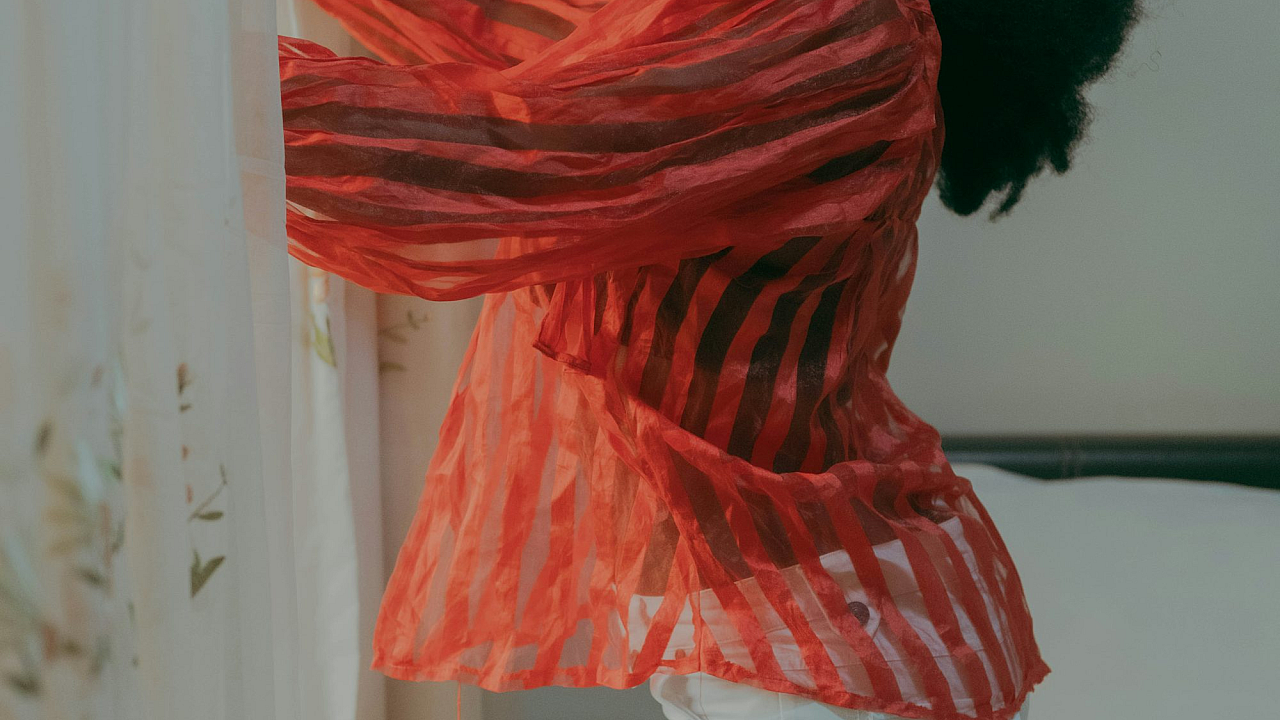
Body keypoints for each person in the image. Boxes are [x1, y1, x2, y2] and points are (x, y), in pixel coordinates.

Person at [276, 1, 1139, 718]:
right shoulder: (779, 28)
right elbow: (512, 32)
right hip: (795, 629)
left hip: (828, 651)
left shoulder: (838, 31)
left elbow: (517, 151)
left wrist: (231, 103)